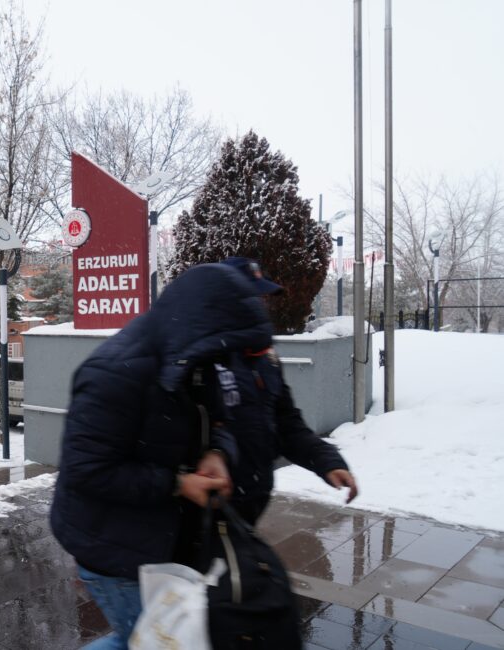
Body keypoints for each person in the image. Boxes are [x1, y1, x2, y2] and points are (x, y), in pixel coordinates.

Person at [51, 263, 272, 650]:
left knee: (148, 640)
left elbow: (221, 421)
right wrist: (177, 482)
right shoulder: (113, 372)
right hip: (114, 551)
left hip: (165, 542)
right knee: (153, 642)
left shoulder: (199, 361)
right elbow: (87, 469)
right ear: (200, 326)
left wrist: (218, 452)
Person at [217, 257, 358, 524]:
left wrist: (327, 460)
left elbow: (286, 423)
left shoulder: (265, 358)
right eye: (251, 297)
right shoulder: (205, 359)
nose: (260, 305)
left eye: (262, 298)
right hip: (208, 511)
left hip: (250, 505)